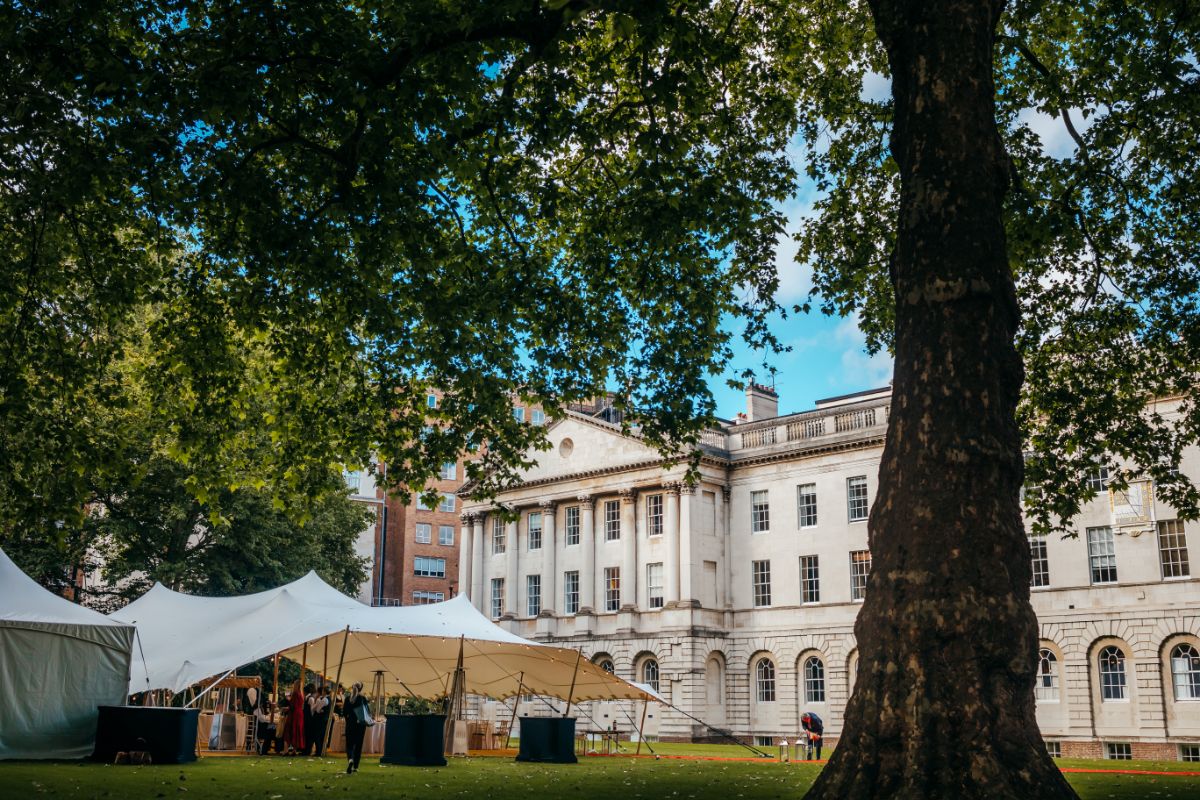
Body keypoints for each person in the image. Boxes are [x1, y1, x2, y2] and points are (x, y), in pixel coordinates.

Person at [340, 682, 371, 774]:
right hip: (360, 725)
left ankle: (350, 759)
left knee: (349, 744)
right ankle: (356, 767)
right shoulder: (362, 698)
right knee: (358, 745)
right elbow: (367, 712)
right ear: (361, 689)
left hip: (350, 724)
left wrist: (349, 719)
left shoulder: (347, 699)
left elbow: (344, 713)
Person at [282, 679, 305, 755]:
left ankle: (285, 750)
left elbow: (292, 706)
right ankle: (294, 750)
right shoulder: (301, 694)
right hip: (300, 714)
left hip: (294, 714)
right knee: (296, 731)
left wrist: (287, 706)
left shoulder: (295, 693)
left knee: (288, 731)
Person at [311, 686, 331, 757]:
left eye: (322, 691)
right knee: (321, 736)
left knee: (317, 735)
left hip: (321, 720)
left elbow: (318, 710)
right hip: (323, 719)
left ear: (324, 691)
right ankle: (320, 751)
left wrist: (319, 709)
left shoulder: (324, 699)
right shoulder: (326, 698)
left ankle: (318, 751)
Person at [302, 683, 316, 755]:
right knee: (305, 734)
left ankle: (308, 750)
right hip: (306, 718)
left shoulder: (311, 698)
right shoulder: (306, 698)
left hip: (309, 719)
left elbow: (312, 710)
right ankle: (304, 750)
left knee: (309, 735)